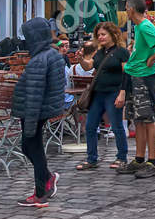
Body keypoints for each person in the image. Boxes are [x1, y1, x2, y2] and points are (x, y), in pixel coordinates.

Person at [11, 17, 66, 208]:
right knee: (29, 147)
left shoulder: (39, 61)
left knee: (32, 147)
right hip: (42, 110)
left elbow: (34, 95)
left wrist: (30, 123)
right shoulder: (53, 55)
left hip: (33, 111)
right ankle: (48, 178)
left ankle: (40, 192)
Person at [117, 0, 155, 179]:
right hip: (135, 75)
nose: (125, 10)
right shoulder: (140, 28)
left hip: (144, 77)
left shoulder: (145, 26)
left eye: (126, 8)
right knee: (138, 120)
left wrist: (152, 58)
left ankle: (152, 163)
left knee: (148, 119)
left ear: (132, 9)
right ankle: (139, 159)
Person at [75, 22, 128, 171]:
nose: (101, 37)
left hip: (113, 92)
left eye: (104, 34)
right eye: (99, 35)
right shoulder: (99, 52)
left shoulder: (121, 52)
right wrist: (80, 59)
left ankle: (121, 157)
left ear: (113, 35)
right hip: (98, 93)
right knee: (90, 126)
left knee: (117, 126)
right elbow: (88, 66)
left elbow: (126, 73)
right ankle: (92, 158)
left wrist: (122, 93)